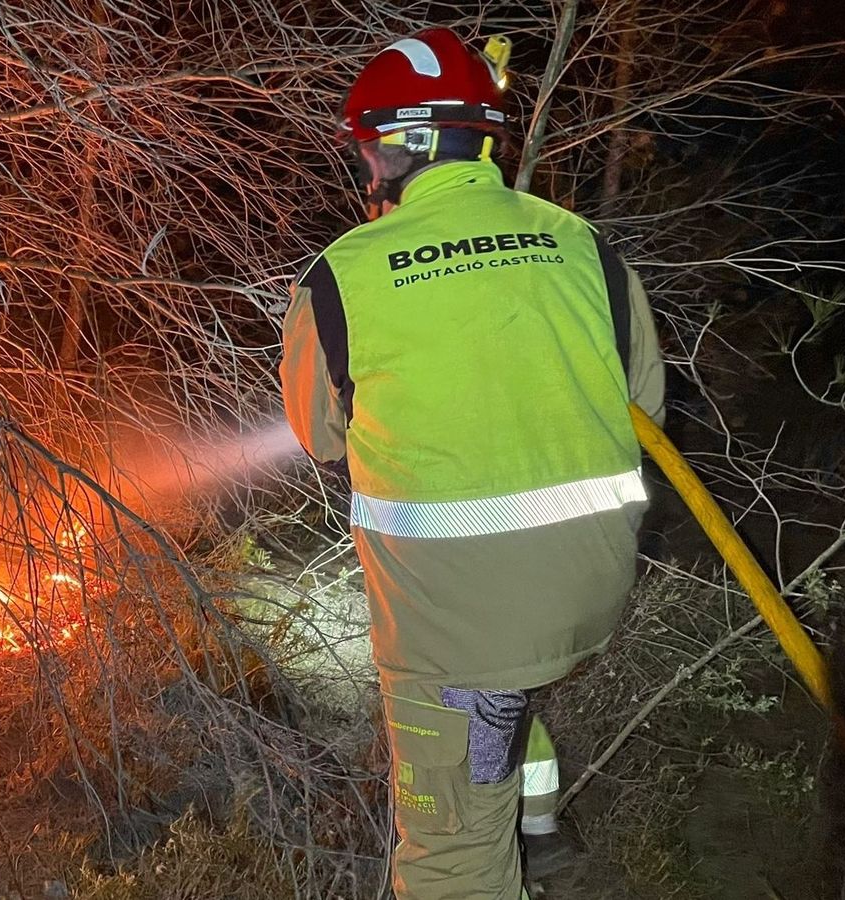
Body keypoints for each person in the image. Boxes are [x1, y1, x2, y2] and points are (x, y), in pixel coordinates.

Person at [278, 27, 666, 899]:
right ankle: (540, 833)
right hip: (589, 597)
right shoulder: (583, 245)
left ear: (408, 145)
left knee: (449, 847)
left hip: (458, 628)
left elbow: (320, 435)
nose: (365, 172)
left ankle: (489, 852)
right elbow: (642, 403)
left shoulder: (346, 275)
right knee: (508, 685)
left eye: (370, 151)